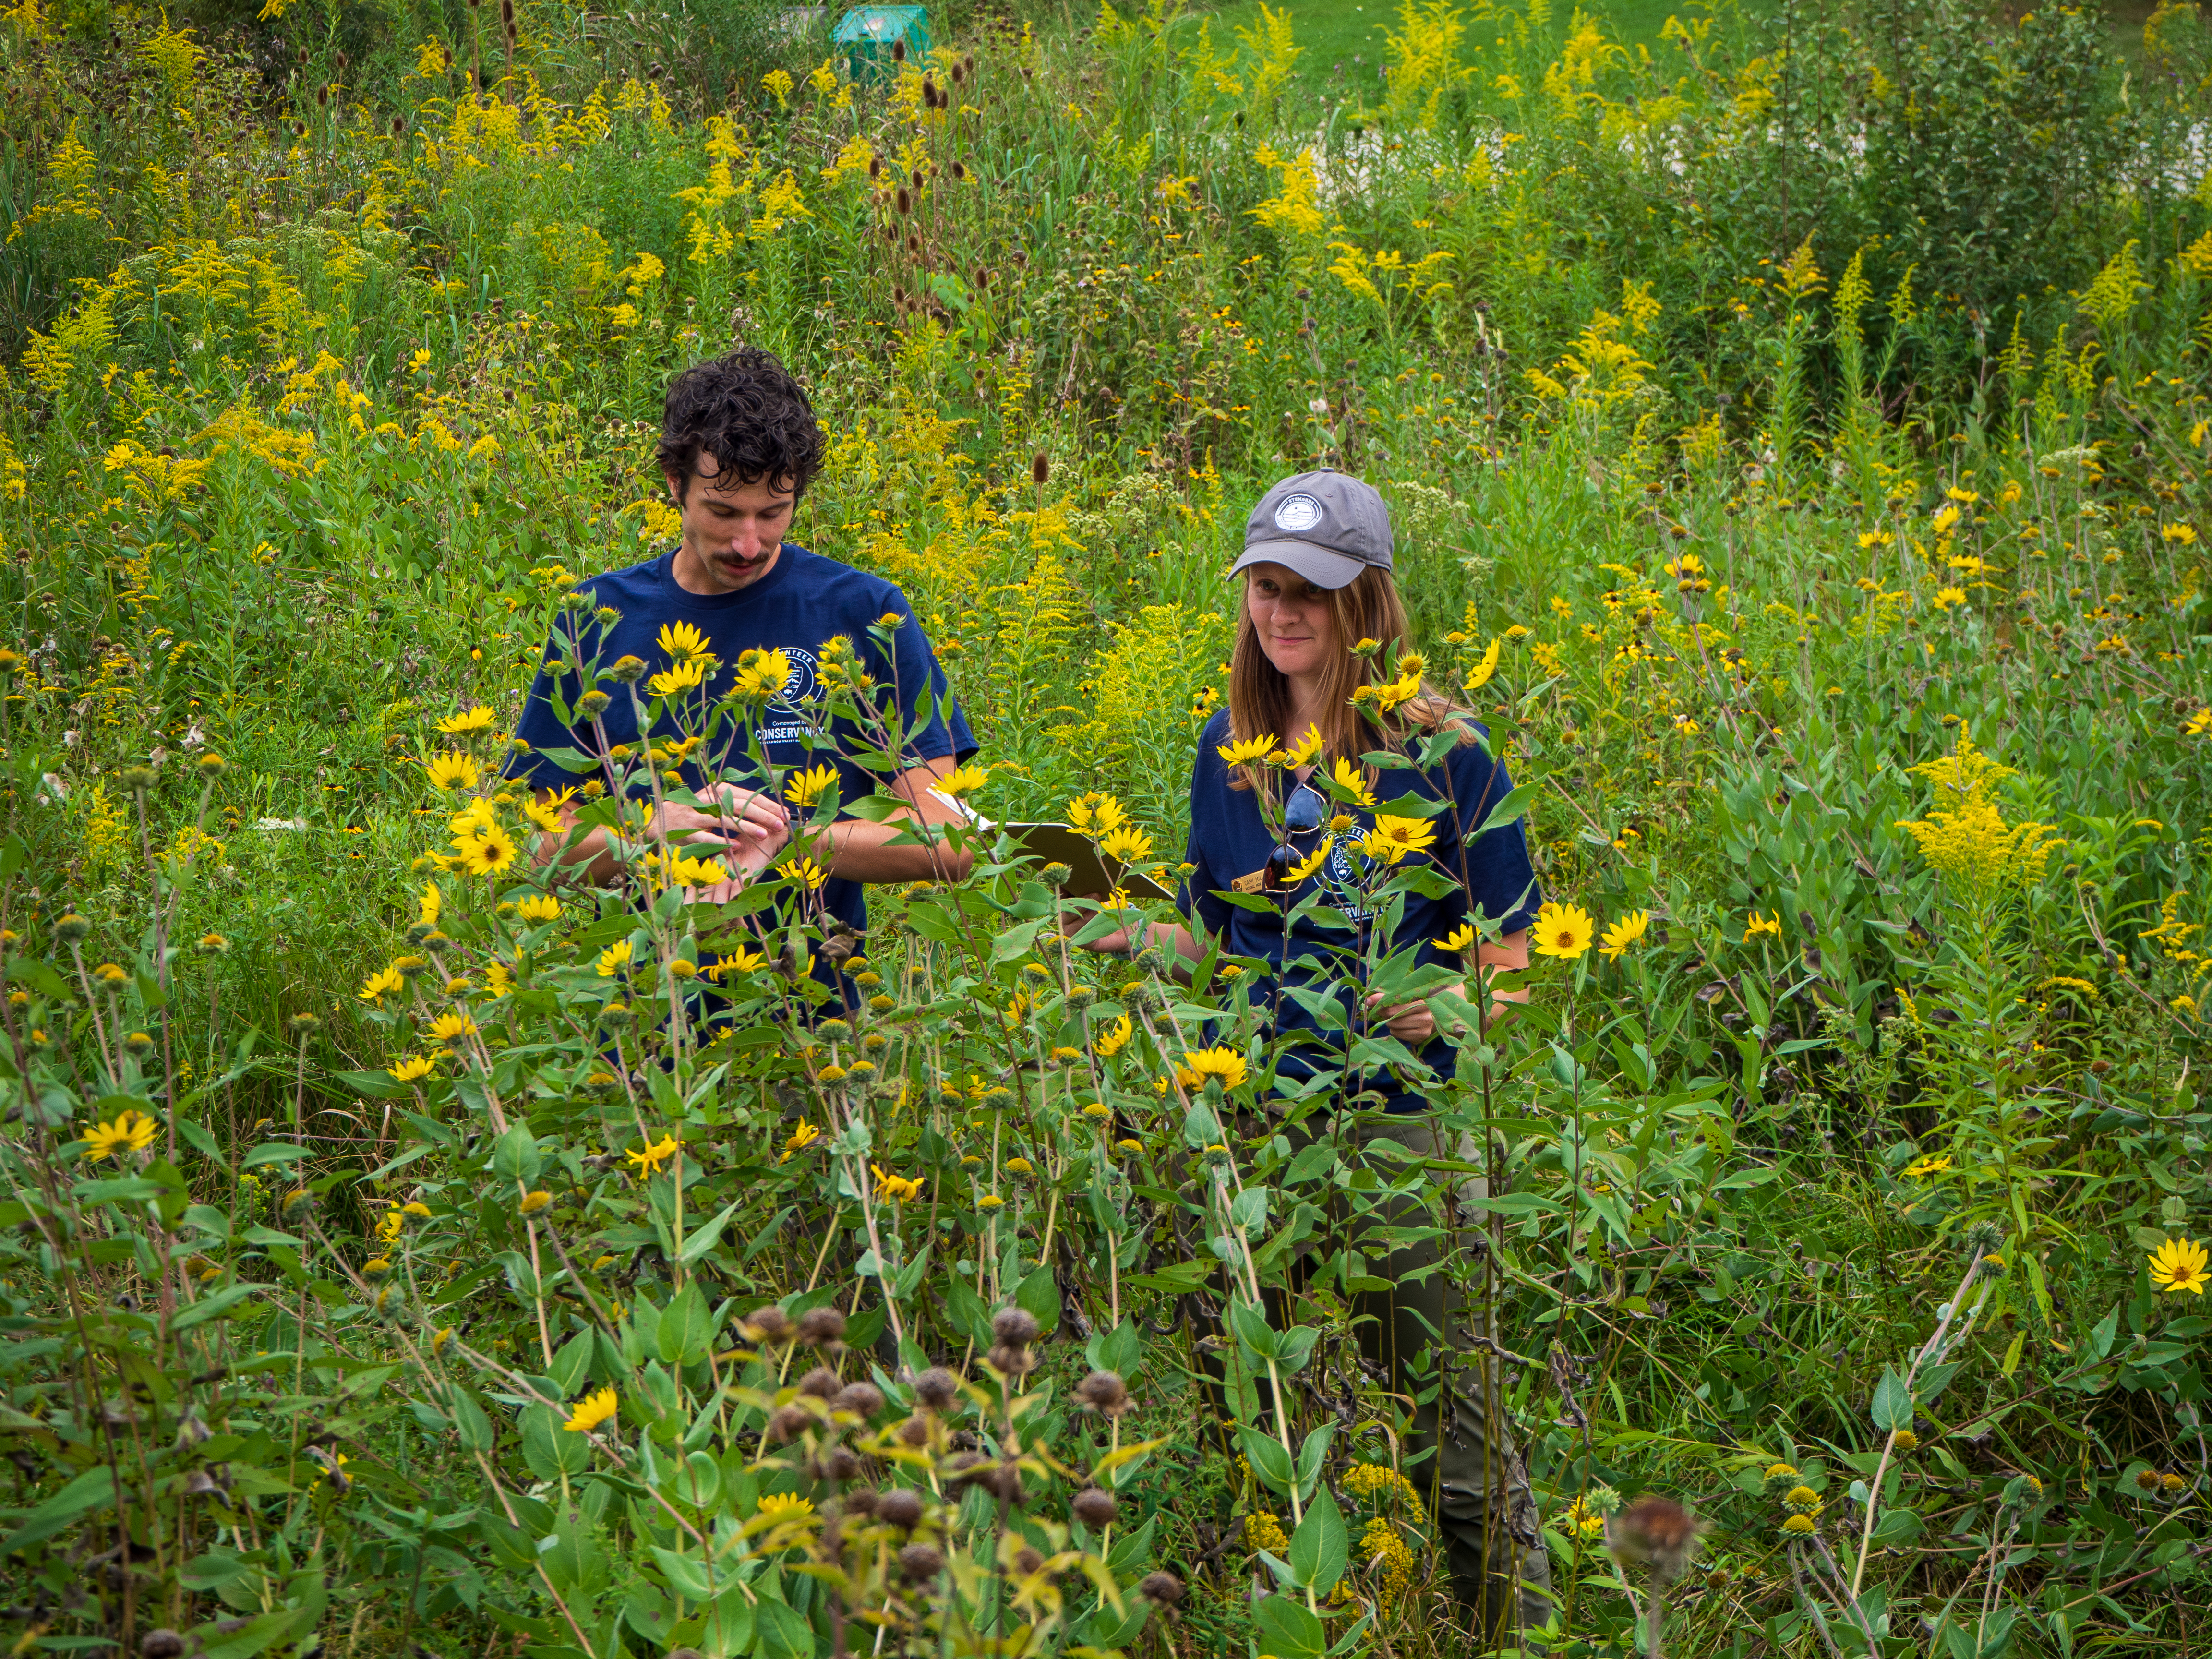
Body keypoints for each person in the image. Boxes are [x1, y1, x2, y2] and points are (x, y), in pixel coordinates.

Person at [1077, 469, 1552, 1645]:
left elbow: (1515, 954)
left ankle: (1520, 1629)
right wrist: (1100, 917)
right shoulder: (1228, 748)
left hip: (1399, 1127)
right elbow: (1212, 931)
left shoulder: (1443, 753)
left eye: (1311, 592)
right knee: (1271, 1416)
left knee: (1456, 1441)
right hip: (1257, 1124)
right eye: (1264, 589)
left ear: (1368, 604)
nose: (1282, 613)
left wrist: (1441, 1002)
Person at [506, 348, 976, 947]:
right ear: (676, 485)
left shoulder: (864, 612)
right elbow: (544, 849)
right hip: (643, 1010)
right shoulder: (596, 620)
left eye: (773, 514)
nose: (749, 545)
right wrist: (653, 829)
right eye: (723, 512)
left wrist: (789, 840)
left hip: (819, 1014)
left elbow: (947, 837)